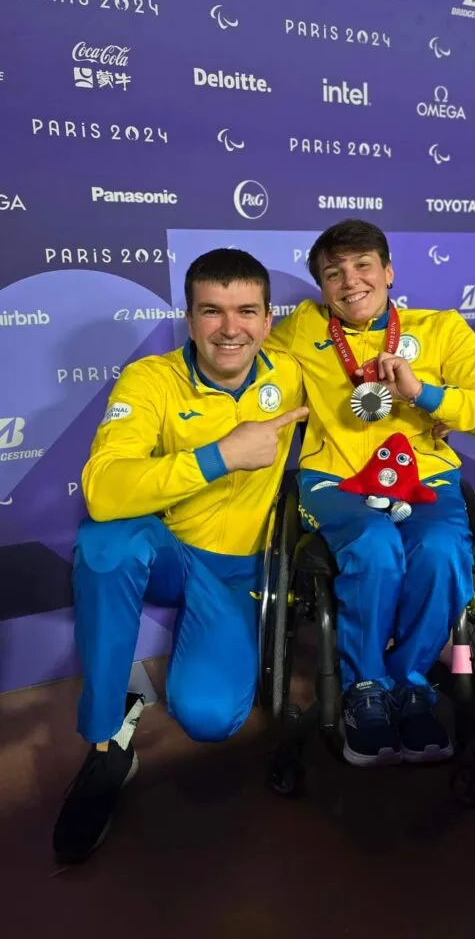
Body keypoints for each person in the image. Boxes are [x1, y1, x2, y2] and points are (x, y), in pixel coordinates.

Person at [53, 248, 307, 864]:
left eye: (246, 311)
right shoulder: (152, 378)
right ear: (189, 319)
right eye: (211, 311)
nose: (230, 328)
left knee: (210, 717)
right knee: (105, 542)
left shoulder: (295, 373)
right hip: (173, 554)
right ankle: (108, 743)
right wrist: (220, 456)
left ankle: (186, 678)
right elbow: (103, 488)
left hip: (243, 571)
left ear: (268, 319)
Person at [267, 219, 475, 767]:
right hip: (334, 481)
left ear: (388, 272)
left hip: (424, 478)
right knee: (374, 544)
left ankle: (411, 684)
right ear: (321, 287)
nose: (350, 281)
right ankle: (364, 689)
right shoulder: (298, 330)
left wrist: (426, 394)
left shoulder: (442, 329)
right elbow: (241, 371)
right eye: (333, 273)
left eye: (363, 266)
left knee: (441, 551)